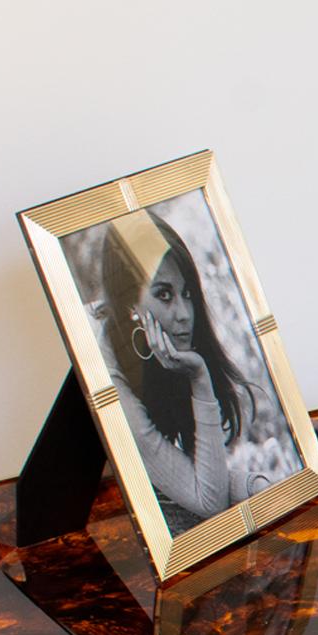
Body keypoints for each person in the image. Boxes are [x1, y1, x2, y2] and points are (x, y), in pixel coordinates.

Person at [97, 209, 282, 529]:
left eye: (187, 293)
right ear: (130, 305)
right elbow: (210, 501)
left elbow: (203, 481)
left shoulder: (163, 351)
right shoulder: (106, 375)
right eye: (164, 295)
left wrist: (255, 487)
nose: (184, 313)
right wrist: (199, 377)